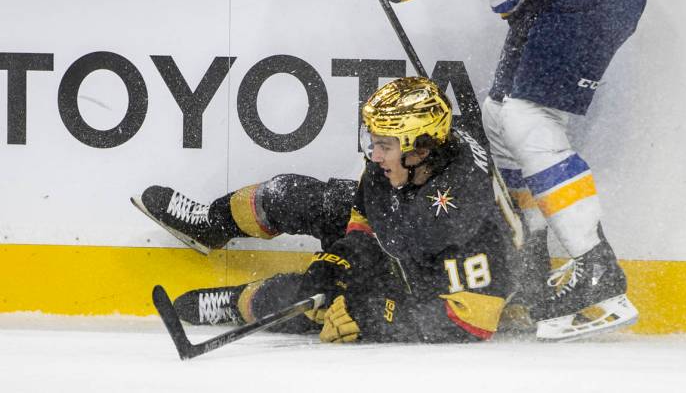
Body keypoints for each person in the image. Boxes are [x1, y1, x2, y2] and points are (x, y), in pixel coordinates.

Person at [280, 0, 646, 341]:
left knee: (526, 118)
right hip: (542, 0)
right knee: (501, 124)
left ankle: (597, 269)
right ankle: (530, 269)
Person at [134, 77, 523, 342]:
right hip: (403, 242)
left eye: (383, 144)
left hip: (423, 283)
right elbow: (368, 211)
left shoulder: (466, 222)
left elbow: (474, 319)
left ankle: (236, 304)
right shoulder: (418, 155)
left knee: (313, 304)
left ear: (419, 149)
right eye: (374, 140)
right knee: (293, 196)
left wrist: (373, 314)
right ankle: (210, 224)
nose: (374, 153)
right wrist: (339, 259)